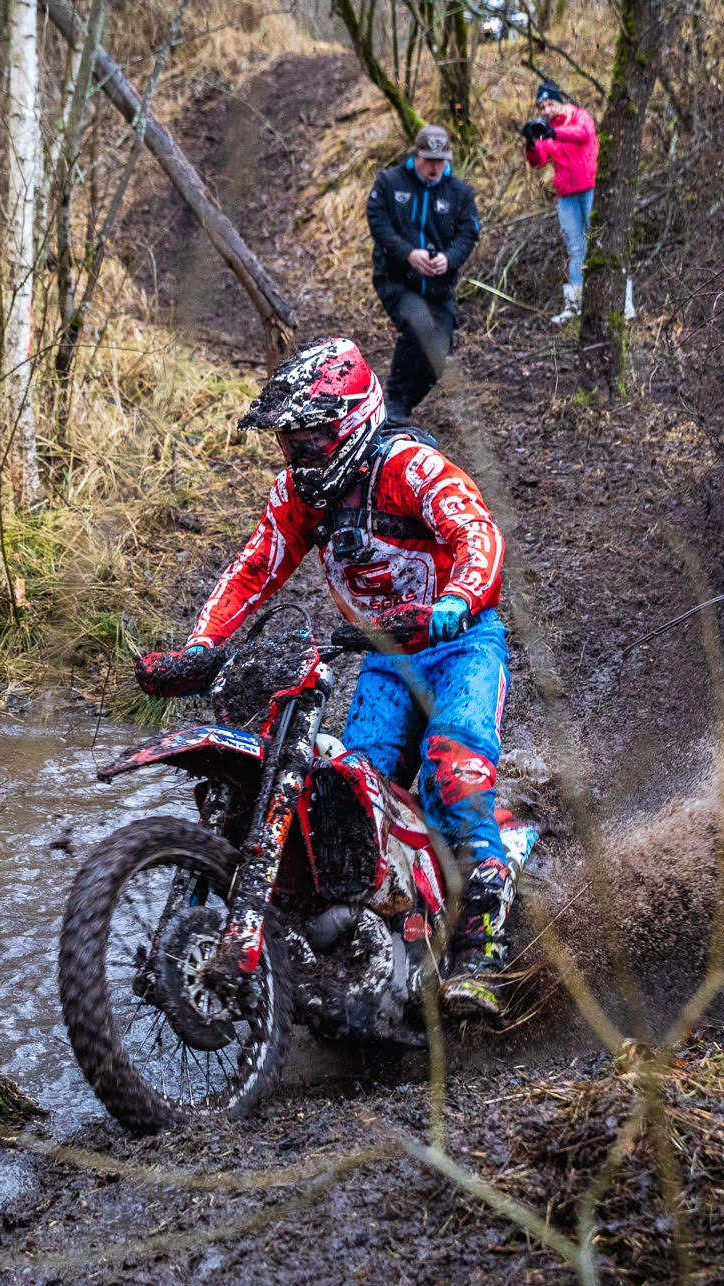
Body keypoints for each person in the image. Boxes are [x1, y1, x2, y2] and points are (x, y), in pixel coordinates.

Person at [182, 337, 515, 1017]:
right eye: (289, 443)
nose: (298, 457)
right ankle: (379, 940)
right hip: (386, 656)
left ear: (349, 423)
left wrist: (458, 598)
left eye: (309, 439)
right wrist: (198, 648)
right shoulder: (299, 496)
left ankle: (483, 943)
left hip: (461, 640)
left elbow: (476, 531)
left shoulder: (409, 465)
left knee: (454, 771)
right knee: (349, 796)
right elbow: (254, 569)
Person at [365, 125, 480, 423]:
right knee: (418, 326)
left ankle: (401, 405)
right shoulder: (390, 183)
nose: (434, 167)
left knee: (438, 354)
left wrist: (448, 259)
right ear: (415, 155)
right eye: (428, 160)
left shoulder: (460, 193)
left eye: (440, 161)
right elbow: (378, 223)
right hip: (396, 279)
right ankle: (395, 404)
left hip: (439, 286)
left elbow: (469, 233)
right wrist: (407, 253)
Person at [521, 79, 598, 325]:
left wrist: (554, 132)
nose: (545, 111)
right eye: (541, 107)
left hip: (590, 189)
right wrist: (531, 144)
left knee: (602, 242)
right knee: (575, 249)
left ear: (560, 101)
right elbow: (538, 161)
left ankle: (621, 302)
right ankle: (575, 305)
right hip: (566, 195)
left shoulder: (579, 116)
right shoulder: (546, 129)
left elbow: (583, 135)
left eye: (549, 104)